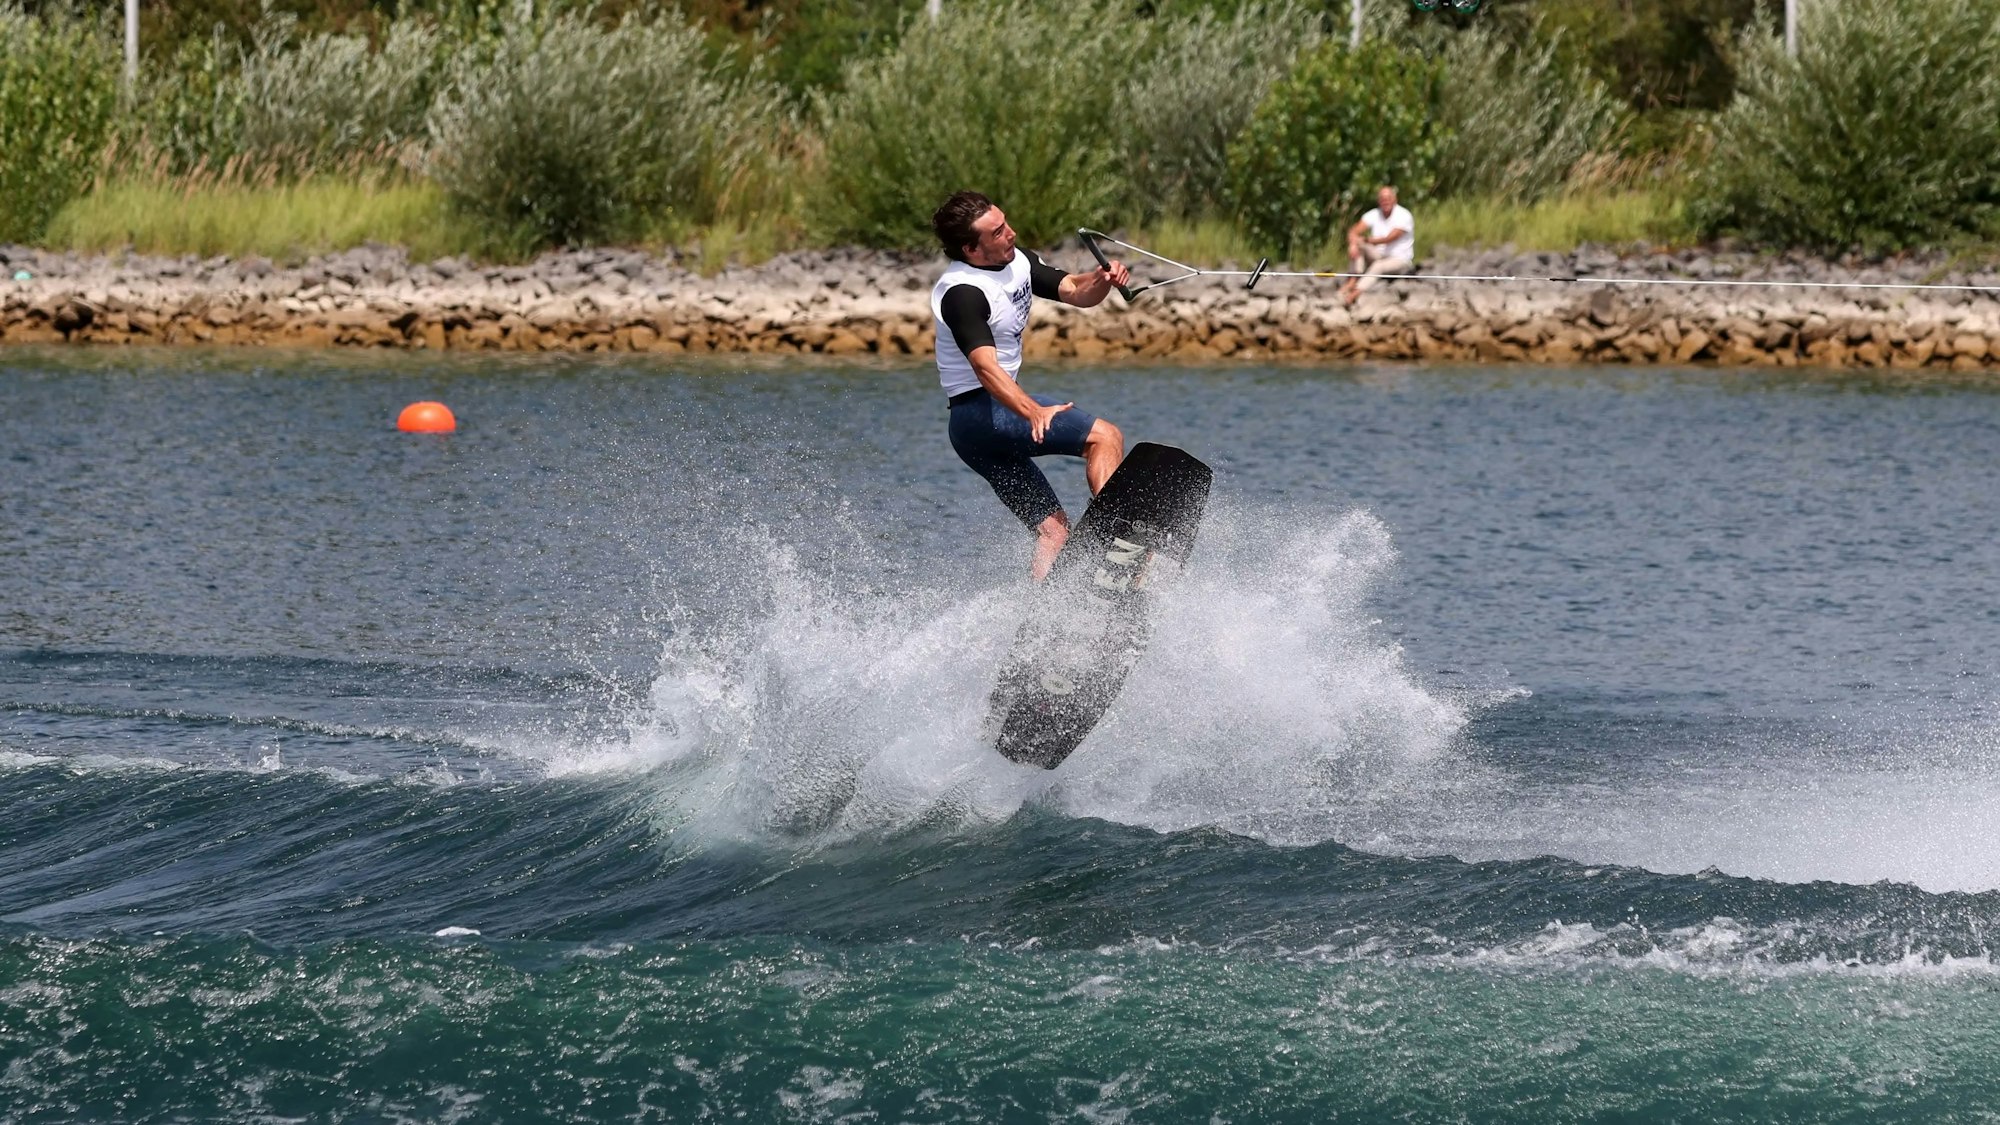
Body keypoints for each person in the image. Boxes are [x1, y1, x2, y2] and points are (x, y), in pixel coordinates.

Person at [930, 190, 1132, 580]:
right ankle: (1117, 555)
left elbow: (1074, 290)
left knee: (1053, 532)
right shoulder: (962, 292)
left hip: (977, 428)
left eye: (1005, 223)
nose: (1012, 233)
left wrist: (1104, 280)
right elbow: (985, 367)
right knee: (1105, 438)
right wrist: (1032, 411)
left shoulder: (1016, 261)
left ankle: (1045, 622)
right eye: (998, 231)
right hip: (982, 414)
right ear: (971, 248)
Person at [1340, 185, 1415, 306]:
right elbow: (1353, 231)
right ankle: (1353, 280)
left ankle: (1354, 294)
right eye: (1382, 198)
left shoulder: (1404, 215)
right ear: (1379, 201)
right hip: (1379, 254)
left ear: (1395, 199)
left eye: (1388, 198)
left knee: (1378, 266)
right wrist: (1353, 244)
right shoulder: (1374, 214)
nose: (1385, 201)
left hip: (1400, 259)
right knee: (1358, 245)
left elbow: (1389, 239)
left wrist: (1366, 240)